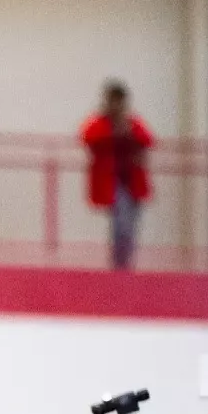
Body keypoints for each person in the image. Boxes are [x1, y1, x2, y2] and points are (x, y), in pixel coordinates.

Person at [80, 81, 154, 271]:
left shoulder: (131, 123)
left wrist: (127, 130)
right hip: (113, 181)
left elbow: (148, 139)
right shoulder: (101, 123)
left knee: (131, 226)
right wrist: (112, 128)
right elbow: (87, 136)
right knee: (120, 224)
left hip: (133, 182)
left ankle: (125, 263)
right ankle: (119, 264)